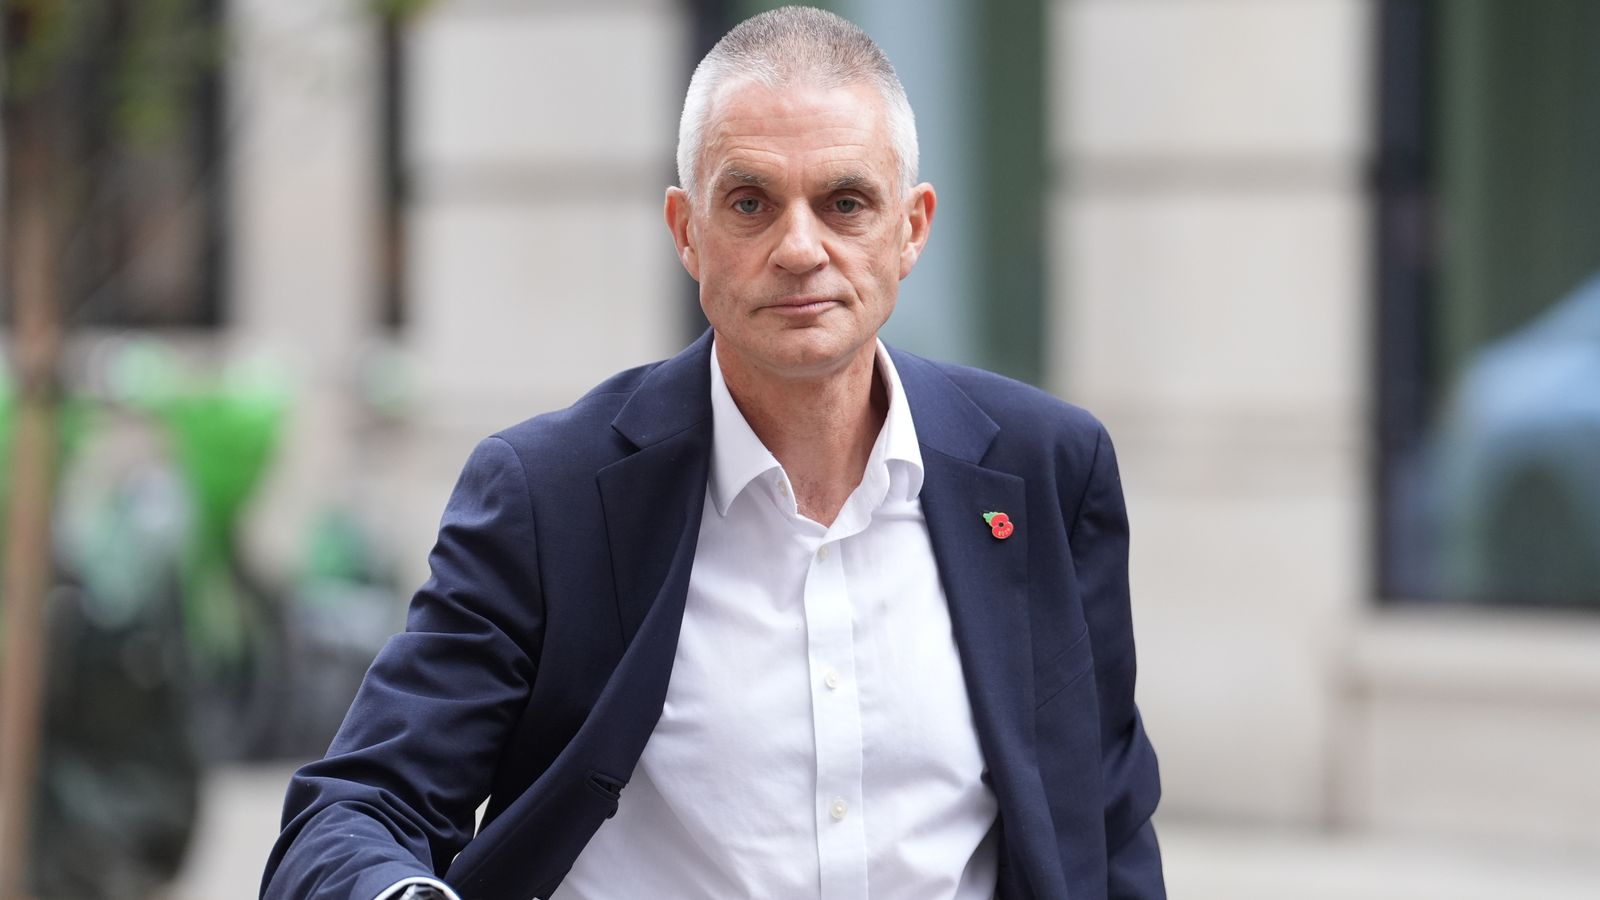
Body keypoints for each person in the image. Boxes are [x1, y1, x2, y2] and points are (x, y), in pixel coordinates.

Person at [261, 7, 1163, 899]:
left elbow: (1107, 831)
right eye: (750, 203)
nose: (800, 248)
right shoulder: (550, 498)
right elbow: (356, 808)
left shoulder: (1047, 470)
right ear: (687, 230)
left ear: (912, 228)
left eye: (846, 203)